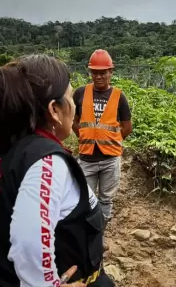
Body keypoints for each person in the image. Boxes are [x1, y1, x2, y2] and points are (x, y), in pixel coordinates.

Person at [0, 54, 115, 287]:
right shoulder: (47, 162)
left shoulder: (9, 151)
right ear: (54, 109)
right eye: (69, 96)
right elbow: (29, 242)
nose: (74, 105)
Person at [72, 49, 132, 245]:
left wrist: (110, 141)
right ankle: (86, 235)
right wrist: (84, 137)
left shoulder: (119, 97)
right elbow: (74, 121)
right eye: (95, 72)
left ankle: (99, 234)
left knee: (106, 200)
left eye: (103, 72)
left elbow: (127, 127)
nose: (99, 76)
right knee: (85, 200)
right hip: (87, 159)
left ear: (110, 72)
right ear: (90, 73)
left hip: (110, 160)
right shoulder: (80, 93)